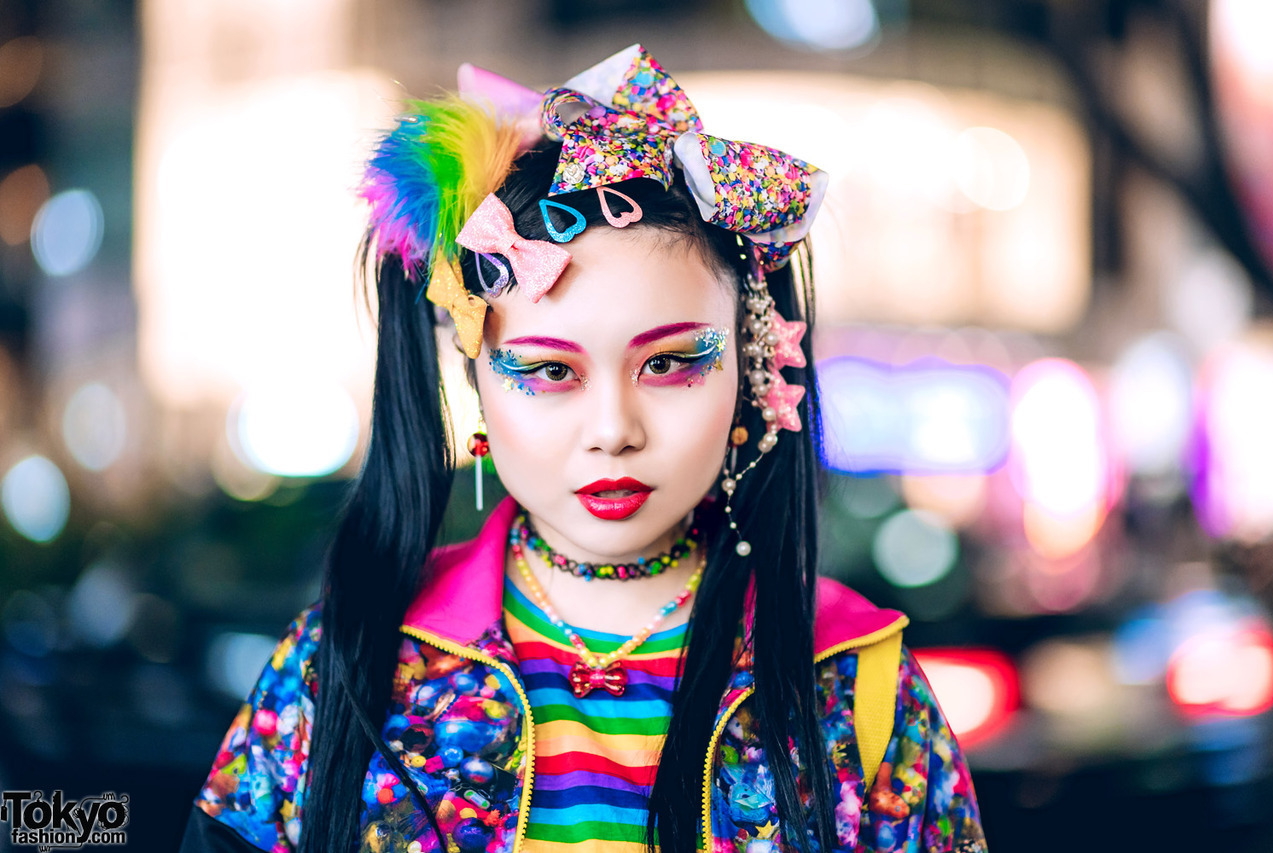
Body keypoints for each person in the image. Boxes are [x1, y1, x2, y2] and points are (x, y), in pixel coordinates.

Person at [179, 45, 987, 853]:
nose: (613, 428)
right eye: (549, 369)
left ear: (750, 361)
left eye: (669, 362)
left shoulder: (858, 683)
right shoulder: (346, 663)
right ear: (477, 378)